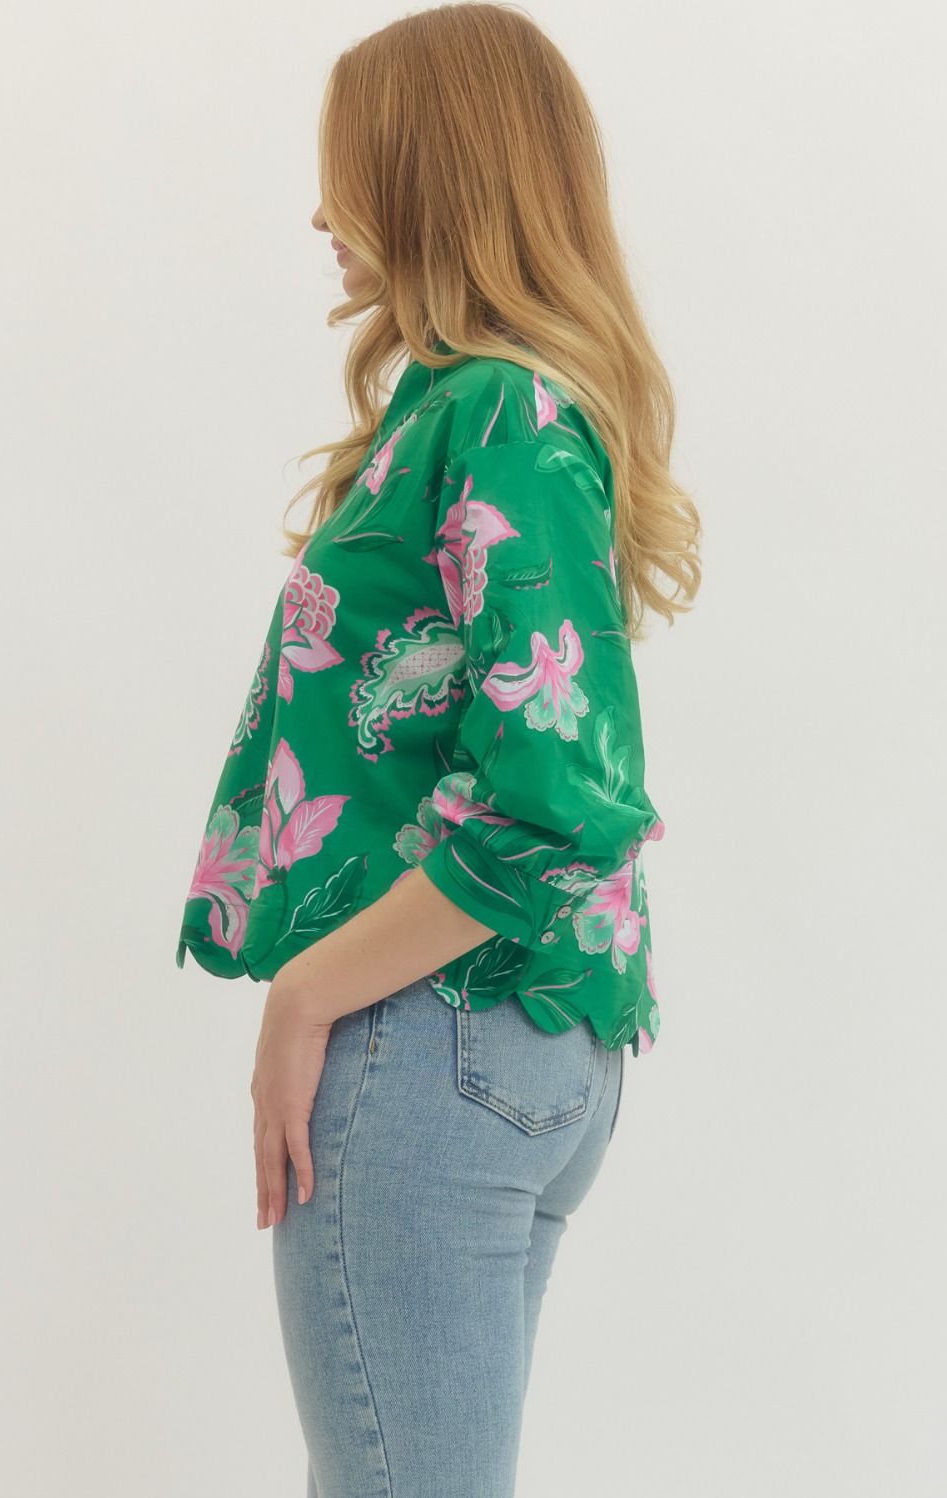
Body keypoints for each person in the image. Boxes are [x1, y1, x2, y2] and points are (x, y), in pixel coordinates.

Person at [175, 5, 702, 1493]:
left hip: (430, 1037)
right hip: (519, 1040)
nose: (321, 215)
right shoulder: (497, 408)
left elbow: (557, 802)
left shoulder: (497, 407)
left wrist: (305, 995)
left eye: (350, 172)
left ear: (430, 180)